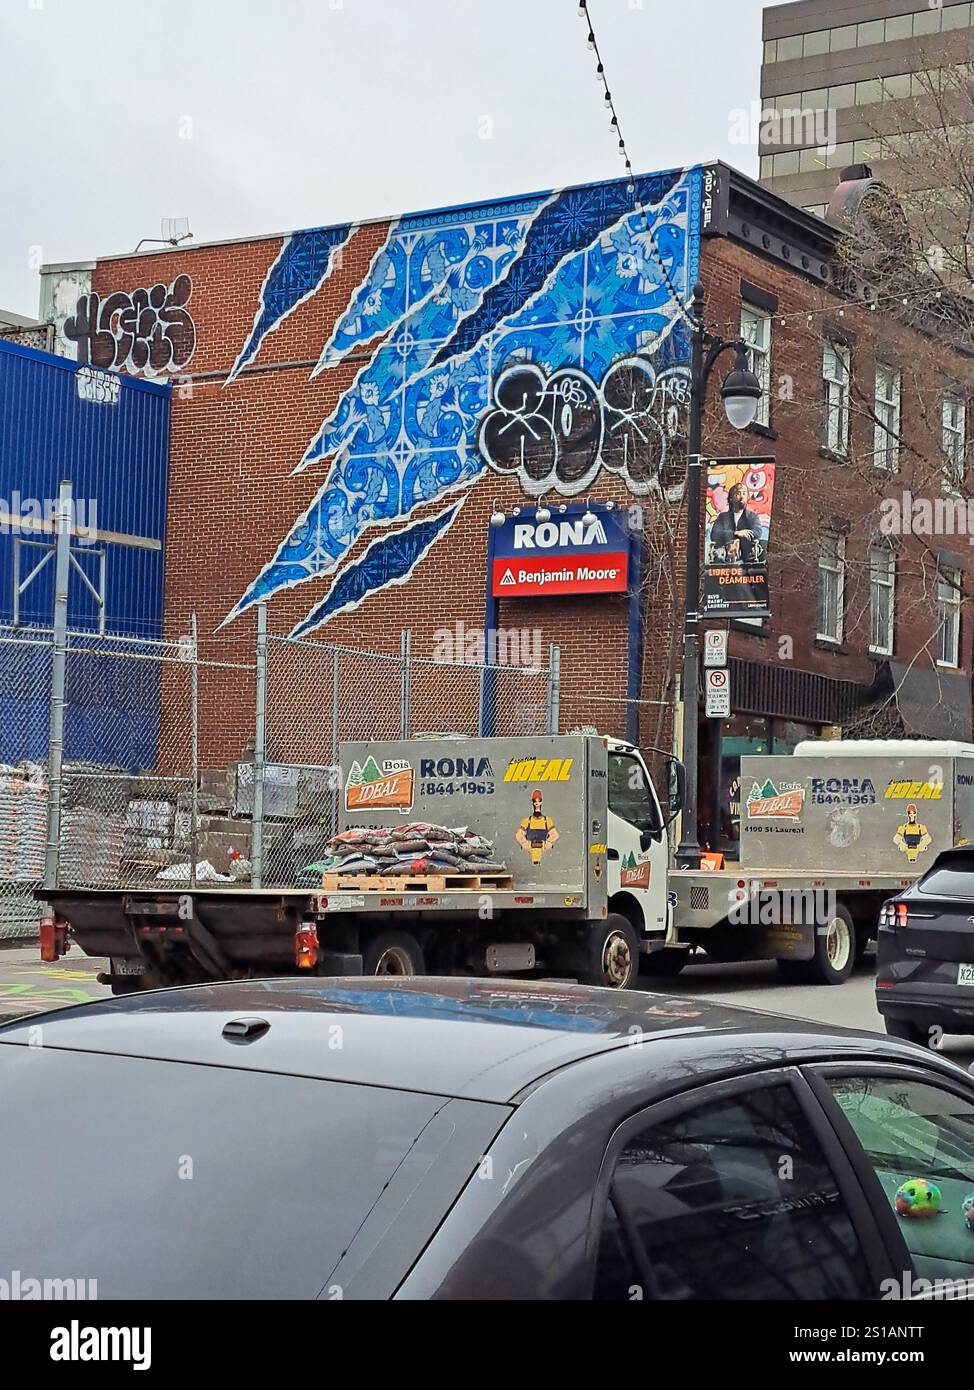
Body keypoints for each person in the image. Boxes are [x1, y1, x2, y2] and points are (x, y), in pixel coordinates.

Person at [709, 483, 764, 563]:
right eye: (738, 493)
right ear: (731, 498)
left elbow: (757, 532)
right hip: (724, 562)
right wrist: (735, 534)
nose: (742, 497)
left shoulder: (752, 516)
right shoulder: (722, 517)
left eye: (744, 494)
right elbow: (715, 534)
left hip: (748, 562)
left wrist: (739, 539)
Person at [516, 790, 559, 866]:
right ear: (532, 802)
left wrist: (547, 843)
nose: (536, 803)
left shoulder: (547, 821)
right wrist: (525, 843)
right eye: (534, 801)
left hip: (545, 853)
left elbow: (555, 834)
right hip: (529, 852)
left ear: (541, 802)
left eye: (539, 801)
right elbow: (519, 835)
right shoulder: (527, 821)